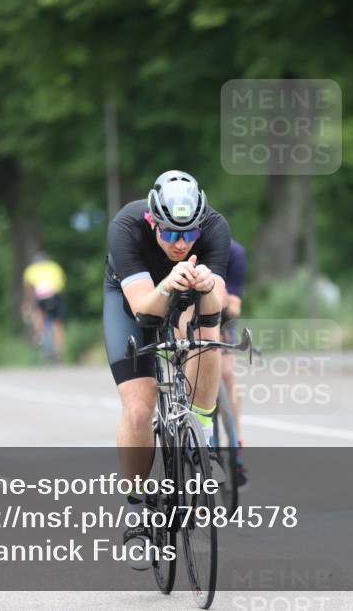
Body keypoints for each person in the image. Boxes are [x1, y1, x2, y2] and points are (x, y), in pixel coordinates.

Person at [102, 170, 230, 569]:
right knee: (140, 408)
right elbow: (142, 308)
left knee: (208, 331)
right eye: (171, 234)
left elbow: (219, 304)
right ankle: (138, 509)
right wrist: (169, 284)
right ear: (152, 222)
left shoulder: (214, 227)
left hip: (186, 294)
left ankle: (202, 437)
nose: (180, 243)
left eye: (189, 234)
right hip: (132, 303)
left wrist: (208, 286)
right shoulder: (126, 226)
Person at [220, 239, 248, 488]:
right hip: (184, 312)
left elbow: (235, 307)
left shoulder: (235, 253)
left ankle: (236, 443)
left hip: (222, 316)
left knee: (227, 374)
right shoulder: (184, 247)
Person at [22, 252, 66, 361]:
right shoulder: (55, 267)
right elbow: (61, 285)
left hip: (40, 296)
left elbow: (29, 289)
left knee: (36, 312)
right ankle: (59, 351)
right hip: (54, 296)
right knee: (57, 323)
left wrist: (27, 302)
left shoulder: (31, 269)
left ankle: (39, 334)